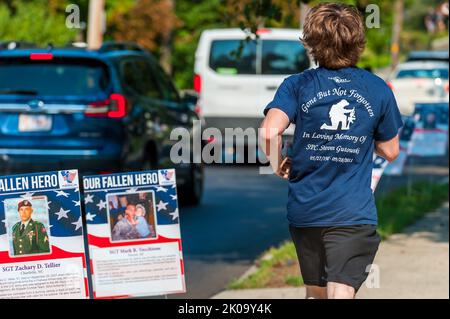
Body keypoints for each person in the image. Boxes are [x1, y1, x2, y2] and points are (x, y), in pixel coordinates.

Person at [260, 3, 402, 299]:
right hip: (352, 212)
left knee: (316, 291)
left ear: (312, 43)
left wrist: (277, 164)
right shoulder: (377, 89)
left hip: (305, 212)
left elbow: (269, 131)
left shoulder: (297, 85)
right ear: (358, 41)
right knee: (341, 290)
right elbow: (391, 151)